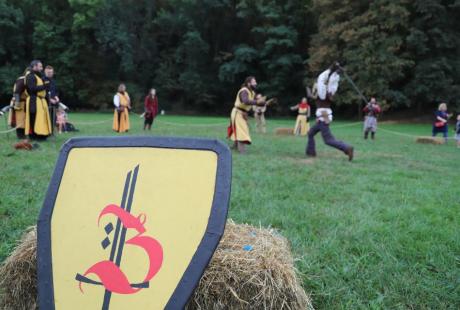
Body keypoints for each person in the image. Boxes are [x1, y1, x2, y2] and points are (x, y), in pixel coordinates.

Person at [306, 62, 354, 161]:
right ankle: (310, 152)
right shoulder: (327, 93)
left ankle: (347, 148)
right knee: (310, 133)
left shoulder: (322, 93)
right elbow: (313, 94)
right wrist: (336, 71)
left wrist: (331, 68)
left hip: (324, 118)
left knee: (328, 140)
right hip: (321, 119)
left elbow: (321, 80)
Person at [228, 76, 265, 154]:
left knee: (239, 129)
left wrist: (264, 103)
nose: (256, 83)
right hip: (237, 112)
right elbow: (245, 101)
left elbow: (255, 102)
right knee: (242, 130)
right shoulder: (244, 91)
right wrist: (258, 102)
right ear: (249, 83)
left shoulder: (252, 92)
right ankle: (242, 151)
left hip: (242, 112)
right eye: (254, 82)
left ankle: (235, 147)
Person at [25, 60, 52, 140]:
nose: (41, 68)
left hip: (39, 101)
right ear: (34, 66)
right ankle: (35, 136)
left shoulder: (37, 75)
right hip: (34, 100)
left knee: (40, 119)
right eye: (40, 66)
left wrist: (46, 85)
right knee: (34, 118)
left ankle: (41, 135)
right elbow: (32, 89)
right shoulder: (30, 76)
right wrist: (44, 86)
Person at [8, 67, 30, 139]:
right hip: (20, 102)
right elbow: (17, 92)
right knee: (19, 120)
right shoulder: (22, 80)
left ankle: (24, 135)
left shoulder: (27, 80)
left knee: (24, 119)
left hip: (24, 102)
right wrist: (17, 103)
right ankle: (20, 136)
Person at [44, 65, 59, 134]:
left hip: (54, 102)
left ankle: (52, 132)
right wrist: (49, 99)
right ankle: (46, 132)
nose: (50, 74)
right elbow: (44, 92)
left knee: (53, 118)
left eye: (51, 72)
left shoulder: (53, 81)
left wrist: (56, 97)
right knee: (47, 118)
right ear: (45, 72)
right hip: (45, 102)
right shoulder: (42, 80)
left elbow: (55, 91)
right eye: (48, 72)